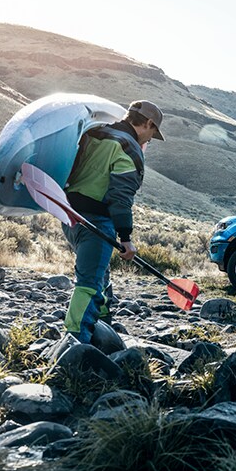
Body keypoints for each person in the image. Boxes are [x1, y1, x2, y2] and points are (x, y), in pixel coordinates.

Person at [62, 100, 164, 342]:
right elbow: (120, 198)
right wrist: (126, 239)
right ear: (148, 123)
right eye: (152, 133)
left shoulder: (95, 132)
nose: (149, 140)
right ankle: (75, 343)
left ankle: (103, 330)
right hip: (96, 223)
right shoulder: (128, 148)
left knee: (100, 272)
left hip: (69, 216)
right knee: (89, 285)